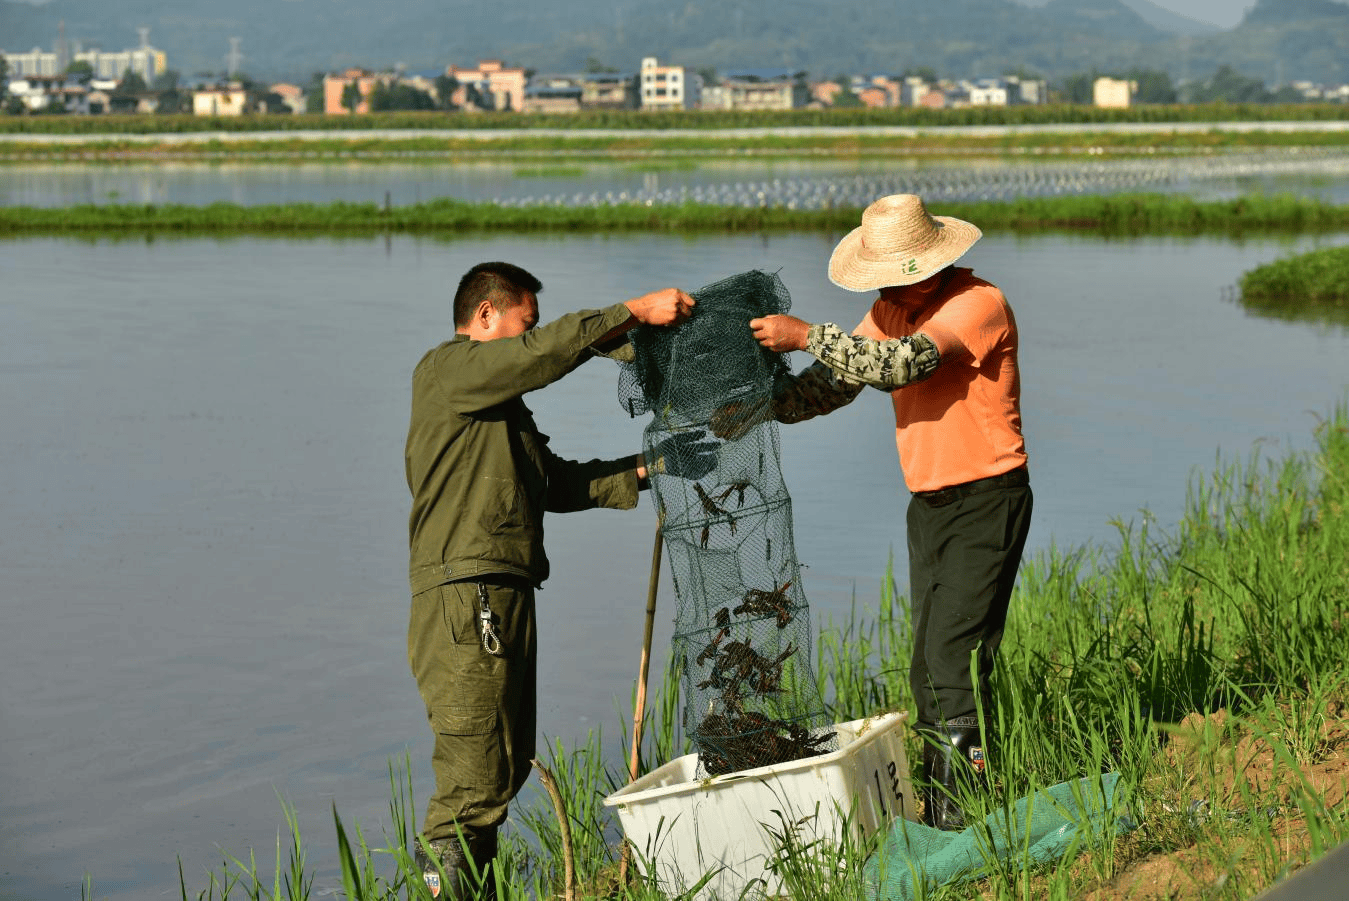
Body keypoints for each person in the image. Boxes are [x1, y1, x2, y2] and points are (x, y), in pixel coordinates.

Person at [405, 261, 714, 898]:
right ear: (485, 316)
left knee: (505, 766)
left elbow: (559, 483)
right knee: (472, 782)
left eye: (533, 328)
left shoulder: (497, 409)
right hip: (468, 599)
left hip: (501, 594)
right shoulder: (448, 371)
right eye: (525, 323)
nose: (531, 337)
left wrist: (653, 466)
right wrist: (631, 309)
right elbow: (544, 355)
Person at [725, 194, 1033, 830]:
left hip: (988, 497)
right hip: (930, 503)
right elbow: (832, 385)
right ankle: (949, 806)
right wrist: (757, 406)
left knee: (954, 653)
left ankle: (963, 814)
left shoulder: (977, 304)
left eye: (898, 271)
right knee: (927, 662)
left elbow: (900, 366)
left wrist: (806, 332)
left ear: (929, 262)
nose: (891, 282)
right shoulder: (890, 310)